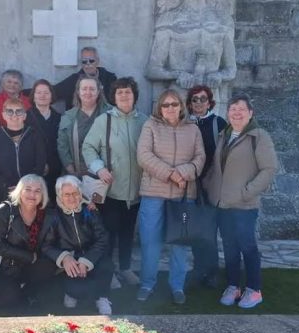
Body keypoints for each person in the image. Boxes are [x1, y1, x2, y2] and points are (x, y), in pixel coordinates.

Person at [204, 93, 278, 309]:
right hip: (223, 204)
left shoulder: (259, 136)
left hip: (244, 205)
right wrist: (209, 186)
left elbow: (269, 169)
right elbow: (217, 167)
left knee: (247, 246)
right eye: (233, 109)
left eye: (241, 109)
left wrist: (247, 192)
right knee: (229, 247)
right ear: (228, 113)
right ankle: (233, 286)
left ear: (250, 113)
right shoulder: (224, 135)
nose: (237, 113)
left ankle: (254, 290)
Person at [136, 89, 206, 304]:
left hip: (183, 195)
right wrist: (171, 174)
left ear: (181, 106)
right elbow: (144, 156)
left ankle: (177, 286)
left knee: (180, 244)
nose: (170, 108)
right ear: (160, 108)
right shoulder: (150, 126)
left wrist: (183, 173)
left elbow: (200, 158)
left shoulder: (193, 129)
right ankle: (147, 284)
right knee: (150, 242)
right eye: (165, 105)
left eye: (174, 104)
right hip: (153, 194)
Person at [82, 77, 148, 286]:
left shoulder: (144, 121)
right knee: (108, 234)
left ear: (134, 95)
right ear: (114, 97)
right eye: (120, 92)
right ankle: (108, 274)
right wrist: (99, 168)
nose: (124, 95)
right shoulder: (104, 120)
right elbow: (88, 147)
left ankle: (125, 268)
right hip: (111, 190)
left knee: (128, 232)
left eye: (128, 91)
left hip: (136, 191)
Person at [145, 0, 236, 116]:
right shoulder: (169, 19)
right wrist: (178, 74)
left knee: (211, 130)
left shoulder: (223, 20)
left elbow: (231, 69)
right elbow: (152, 70)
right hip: (178, 97)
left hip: (210, 97)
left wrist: (219, 75)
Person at [0, 174, 57, 311]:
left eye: (37, 191)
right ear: (19, 191)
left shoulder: (47, 214)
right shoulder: (5, 210)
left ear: (43, 195)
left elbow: (49, 243)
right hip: (6, 267)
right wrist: (27, 256)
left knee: (48, 267)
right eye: (28, 189)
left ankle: (29, 291)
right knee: (9, 300)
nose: (32, 195)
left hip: (32, 266)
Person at [42, 175, 113, 314]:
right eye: (67, 194)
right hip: (71, 260)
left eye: (75, 193)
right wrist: (64, 258)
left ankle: (102, 297)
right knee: (79, 290)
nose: (72, 198)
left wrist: (87, 260)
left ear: (80, 194)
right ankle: (71, 292)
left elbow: (103, 238)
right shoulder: (53, 216)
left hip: (91, 256)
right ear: (60, 196)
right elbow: (46, 245)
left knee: (106, 266)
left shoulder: (89, 211)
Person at [186, 85, 227, 289]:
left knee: (209, 231)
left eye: (203, 99)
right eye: (195, 99)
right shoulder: (185, 124)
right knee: (195, 230)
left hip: (210, 185)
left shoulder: (218, 124)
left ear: (209, 102)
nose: (199, 103)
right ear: (190, 103)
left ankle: (211, 272)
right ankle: (198, 268)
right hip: (189, 184)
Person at [0, 98, 46, 217]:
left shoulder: (34, 135)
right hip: (4, 193)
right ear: (3, 115)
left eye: (19, 111)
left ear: (24, 115)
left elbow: (40, 164)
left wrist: (25, 186)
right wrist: (5, 186)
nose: (14, 115)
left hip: (30, 192)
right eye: (10, 111)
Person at [57, 76, 111, 176]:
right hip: (79, 172)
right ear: (78, 92)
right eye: (84, 89)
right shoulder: (69, 117)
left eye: (92, 89)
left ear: (98, 92)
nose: (88, 92)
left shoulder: (110, 113)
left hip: (106, 173)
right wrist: (70, 169)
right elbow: (62, 145)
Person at [26, 79, 62, 204]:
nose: (42, 96)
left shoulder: (59, 117)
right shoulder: (25, 117)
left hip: (55, 168)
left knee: (53, 203)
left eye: (46, 92)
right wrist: (40, 164)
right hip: (32, 167)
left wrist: (51, 164)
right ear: (33, 95)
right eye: (39, 92)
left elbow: (61, 144)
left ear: (51, 96)